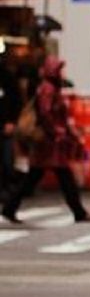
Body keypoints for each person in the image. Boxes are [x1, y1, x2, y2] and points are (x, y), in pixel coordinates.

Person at [1, 56, 90, 224]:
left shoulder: (49, 87)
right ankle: (78, 211)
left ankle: (10, 207)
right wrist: (57, 132)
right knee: (63, 176)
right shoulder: (48, 89)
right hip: (49, 142)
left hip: (49, 142)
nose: (62, 72)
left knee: (36, 176)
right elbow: (46, 114)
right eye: (60, 69)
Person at [0, 47, 23, 203]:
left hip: (5, 125)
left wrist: (11, 121)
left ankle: (7, 190)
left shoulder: (6, 76)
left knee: (6, 161)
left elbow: (15, 99)